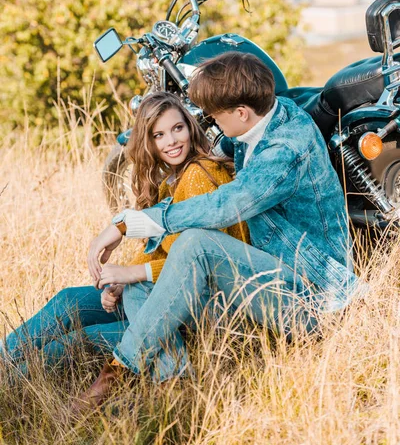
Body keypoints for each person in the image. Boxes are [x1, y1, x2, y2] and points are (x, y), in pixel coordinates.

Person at [85, 51, 368, 400]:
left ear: (241, 113)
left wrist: (130, 223)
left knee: (195, 244)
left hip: (312, 299)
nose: (213, 124)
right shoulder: (266, 115)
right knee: (139, 286)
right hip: (270, 275)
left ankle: (114, 375)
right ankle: (175, 384)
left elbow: (225, 204)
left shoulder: (284, 150)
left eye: (216, 117)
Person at [1, 92, 248, 381]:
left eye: (177, 128)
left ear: (190, 128)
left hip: (197, 308)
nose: (171, 141)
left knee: (77, 341)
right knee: (69, 301)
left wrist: (133, 274)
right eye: (159, 134)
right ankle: (5, 363)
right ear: (148, 142)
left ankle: (11, 382)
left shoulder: (197, 176)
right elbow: (158, 250)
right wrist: (120, 283)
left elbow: (200, 268)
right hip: (155, 293)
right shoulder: (172, 179)